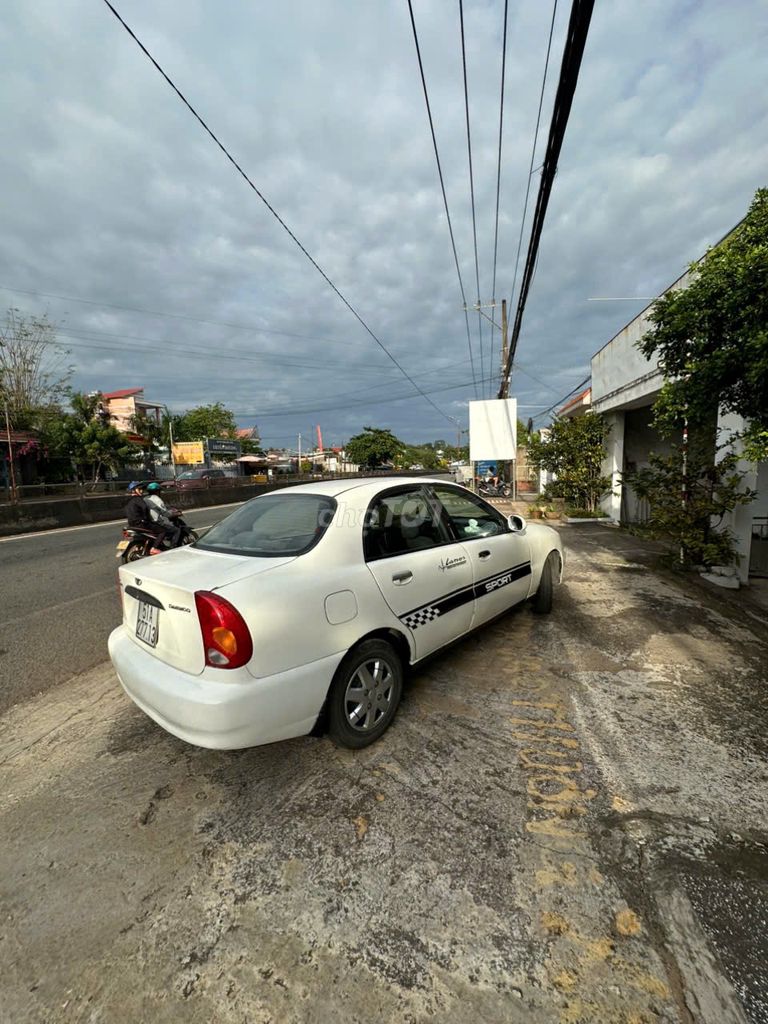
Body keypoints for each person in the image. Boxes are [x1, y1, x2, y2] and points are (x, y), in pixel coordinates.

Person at [124, 481, 168, 554]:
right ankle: (154, 548)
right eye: (139, 489)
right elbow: (145, 511)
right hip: (141, 524)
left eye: (142, 489)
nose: (141, 491)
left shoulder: (127, 500)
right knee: (162, 531)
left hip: (131, 524)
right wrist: (148, 520)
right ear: (133, 490)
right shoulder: (139, 500)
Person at [145, 482, 181, 547]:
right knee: (176, 530)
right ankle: (173, 547)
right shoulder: (157, 500)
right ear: (157, 491)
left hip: (148, 522)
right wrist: (176, 514)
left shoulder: (145, 498)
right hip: (156, 522)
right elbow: (166, 514)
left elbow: (158, 509)